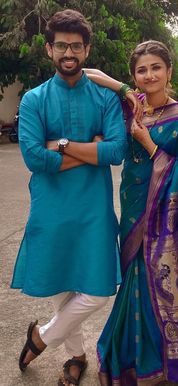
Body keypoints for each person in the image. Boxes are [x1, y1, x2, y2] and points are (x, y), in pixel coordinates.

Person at [85, 40, 178, 385]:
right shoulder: (133, 106)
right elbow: (91, 74)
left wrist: (148, 143)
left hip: (164, 213)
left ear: (169, 71)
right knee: (132, 273)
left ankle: (159, 359)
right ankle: (131, 355)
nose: (149, 75)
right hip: (132, 202)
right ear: (134, 76)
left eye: (156, 67)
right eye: (141, 70)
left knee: (152, 280)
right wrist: (125, 89)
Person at [10, 9, 128, 386]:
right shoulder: (33, 100)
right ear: (49, 49)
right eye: (61, 45)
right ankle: (76, 356)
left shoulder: (104, 98)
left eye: (76, 45)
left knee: (96, 292)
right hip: (50, 209)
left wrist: (60, 146)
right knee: (63, 290)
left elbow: (115, 152)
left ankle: (41, 337)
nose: (69, 52)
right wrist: (85, 151)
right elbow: (33, 158)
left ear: (87, 48)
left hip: (93, 209)